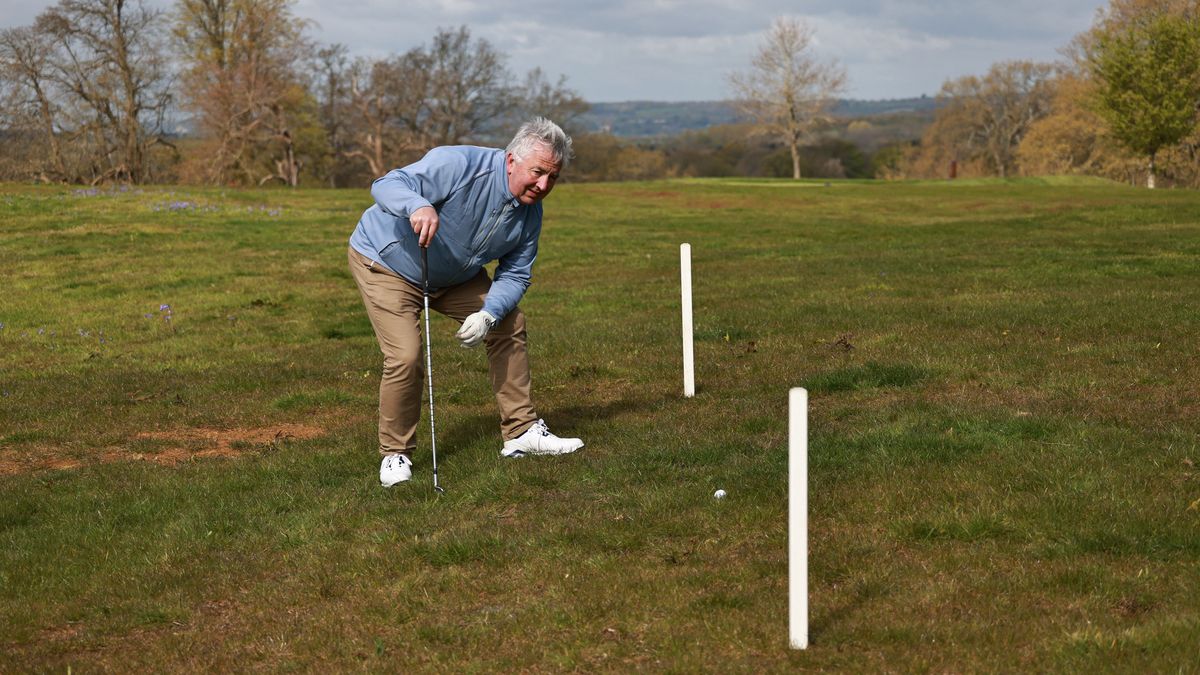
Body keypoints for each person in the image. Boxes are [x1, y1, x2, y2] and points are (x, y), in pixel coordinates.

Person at [348, 117, 584, 487]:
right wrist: (416, 205)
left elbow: (516, 273)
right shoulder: (458, 164)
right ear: (511, 161)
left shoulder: (529, 214)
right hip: (387, 263)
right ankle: (395, 454)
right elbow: (387, 184)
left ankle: (520, 432)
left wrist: (489, 313)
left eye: (552, 177)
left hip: (453, 277)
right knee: (406, 355)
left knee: (508, 323)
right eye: (537, 172)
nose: (543, 185)